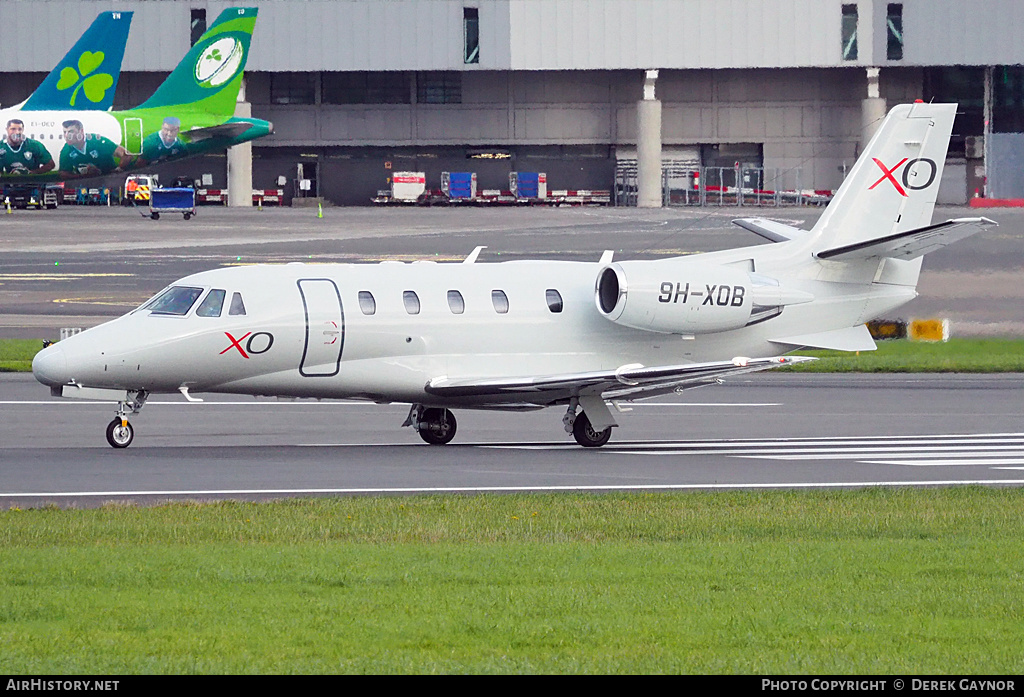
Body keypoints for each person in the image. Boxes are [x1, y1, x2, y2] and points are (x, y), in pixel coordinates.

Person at [58, 119, 128, 177]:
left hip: (109, 180)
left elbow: (127, 155)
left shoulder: (97, 141)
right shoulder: (66, 150)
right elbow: (63, 173)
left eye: (71, 132)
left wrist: (118, 170)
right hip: (84, 183)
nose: (67, 136)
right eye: (65, 132)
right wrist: (84, 175)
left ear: (81, 131)